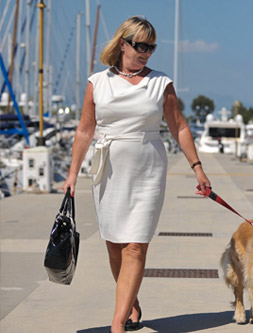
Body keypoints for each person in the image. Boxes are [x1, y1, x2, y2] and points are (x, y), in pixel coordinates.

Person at [62, 16, 211, 333]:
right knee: (115, 246)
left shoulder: (161, 83)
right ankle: (131, 302)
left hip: (147, 168)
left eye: (151, 47)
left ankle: (117, 324)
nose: (146, 52)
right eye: (141, 45)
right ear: (122, 44)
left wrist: (197, 168)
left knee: (135, 246)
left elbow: (179, 127)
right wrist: (72, 174)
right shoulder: (97, 82)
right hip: (108, 171)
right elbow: (85, 130)